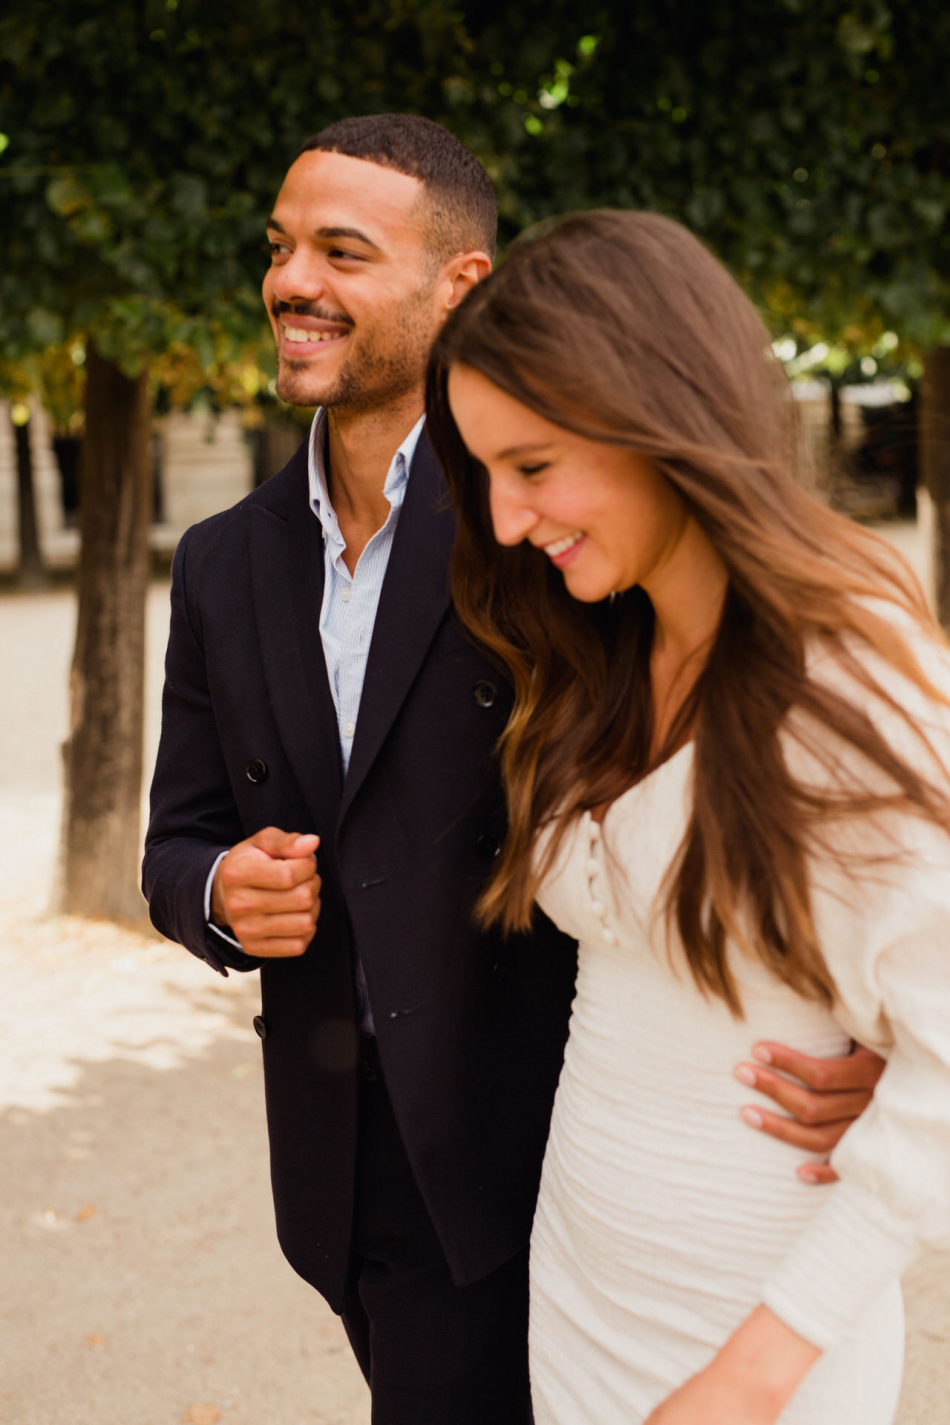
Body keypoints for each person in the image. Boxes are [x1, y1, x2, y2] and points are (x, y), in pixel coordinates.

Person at [143, 121, 881, 1424]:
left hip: (535, 1141)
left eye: (340, 251)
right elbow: (177, 836)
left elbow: (787, 778)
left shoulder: (564, 522)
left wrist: (881, 1031)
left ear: (461, 286)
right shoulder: (219, 560)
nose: (289, 280)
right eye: (278, 249)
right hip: (346, 1165)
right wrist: (213, 889)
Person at [427, 207, 950, 1425]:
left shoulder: (846, 669)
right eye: (487, 473)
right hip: (580, 1296)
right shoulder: (596, 645)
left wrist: (749, 1376)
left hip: (755, 1336)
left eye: (533, 467)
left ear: (657, 417)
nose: (504, 520)